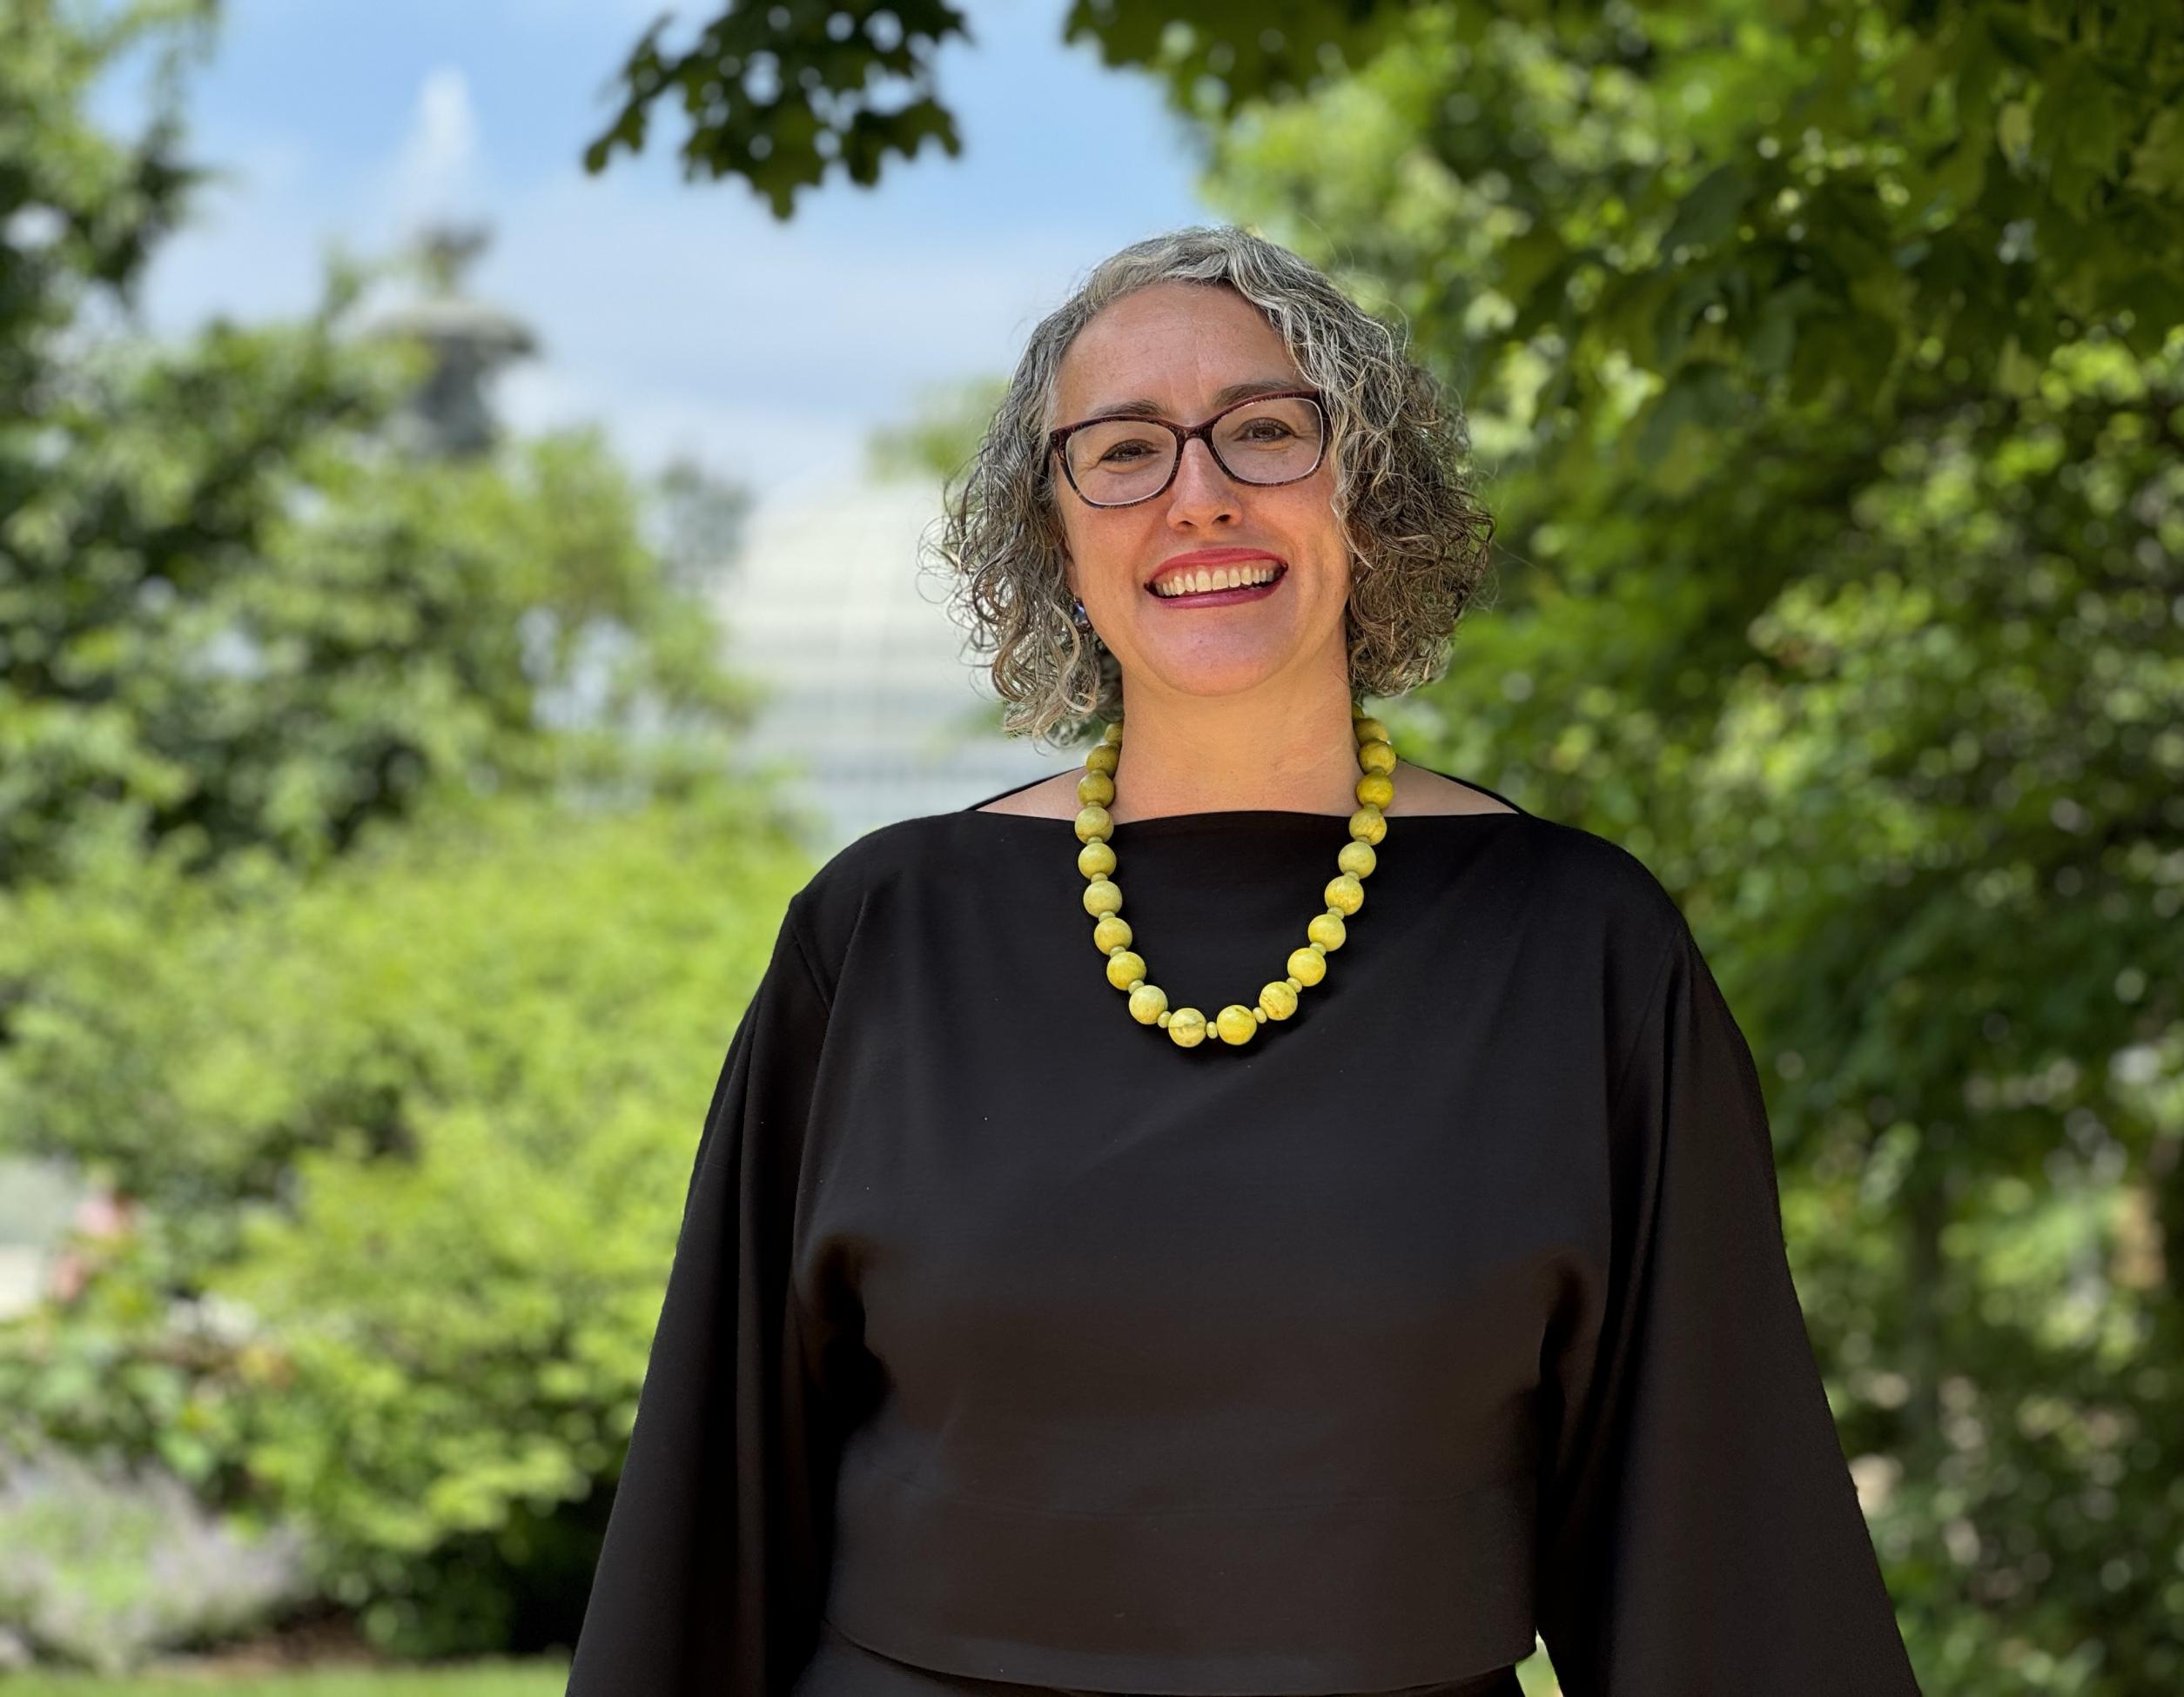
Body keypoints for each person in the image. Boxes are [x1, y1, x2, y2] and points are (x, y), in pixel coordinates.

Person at [562, 225, 1925, 1697]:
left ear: (1370, 492)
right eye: (1126, 450)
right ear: (1056, 533)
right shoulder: (883, 933)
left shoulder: (1580, 946)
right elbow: (718, 1498)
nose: (1198, 496)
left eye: (1266, 431)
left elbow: (1714, 1548)